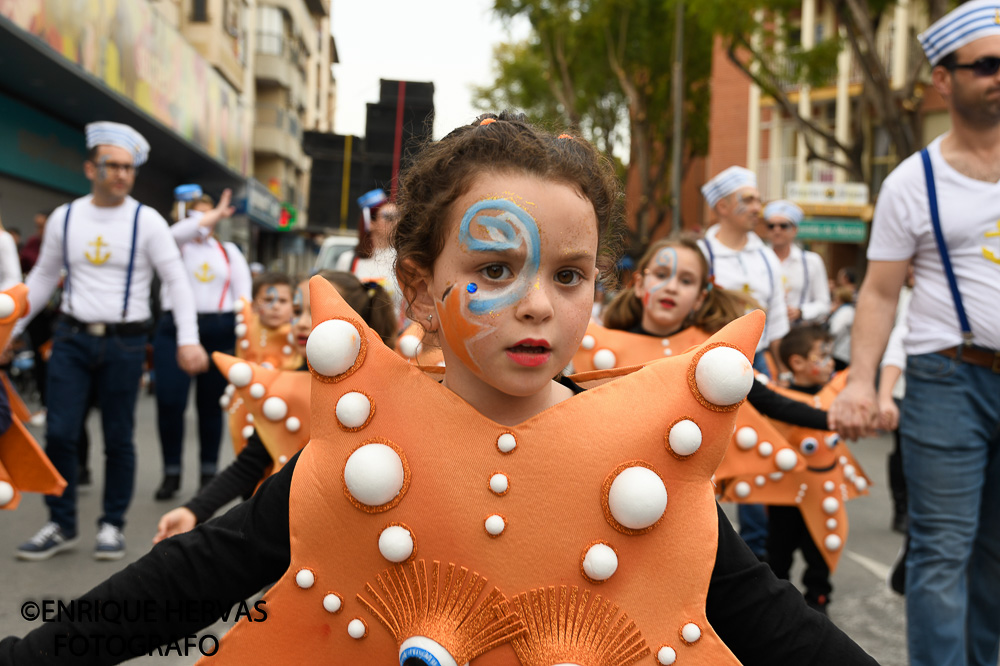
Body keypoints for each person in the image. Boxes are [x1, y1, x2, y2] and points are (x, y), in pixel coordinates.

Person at [0, 112, 876, 665]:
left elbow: (769, 623)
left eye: (570, 276)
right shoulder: (366, 456)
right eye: (495, 267)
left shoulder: (639, 472)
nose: (538, 303)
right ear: (418, 286)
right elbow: (195, 577)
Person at [830, 4, 1000, 664]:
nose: (998, 77)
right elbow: (877, 292)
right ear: (943, 80)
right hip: (945, 378)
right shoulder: (912, 182)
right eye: (985, 65)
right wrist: (862, 382)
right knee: (942, 549)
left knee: (995, 557)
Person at [10, 121, 209, 562]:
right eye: (112, 165)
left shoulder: (147, 220)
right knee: (60, 432)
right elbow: (43, 277)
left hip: (125, 343)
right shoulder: (67, 216)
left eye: (128, 167)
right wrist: (12, 329)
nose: (121, 174)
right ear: (90, 167)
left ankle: (111, 525)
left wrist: (188, 339)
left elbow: (176, 280)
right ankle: (60, 523)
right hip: (71, 337)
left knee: (118, 437)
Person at [153, 270, 396, 542]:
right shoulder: (287, 388)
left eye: (313, 312)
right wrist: (193, 510)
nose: (301, 324)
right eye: (297, 311)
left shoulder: (391, 390)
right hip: (290, 537)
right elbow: (251, 462)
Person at [153, 185, 252, 501]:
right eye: (199, 213)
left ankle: (209, 473)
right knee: (170, 402)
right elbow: (178, 231)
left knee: (210, 406)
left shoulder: (228, 251)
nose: (207, 221)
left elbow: (244, 296)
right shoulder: (173, 244)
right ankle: (171, 472)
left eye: (211, 213)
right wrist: (210, 213)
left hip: (219, 329)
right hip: (175, 328)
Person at [766, 325, 838, 614]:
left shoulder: (835, 396)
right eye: (822, 355)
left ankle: (818, 601)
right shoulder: (776, 400)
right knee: (779, 551)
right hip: (786, 495)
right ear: (797, 362)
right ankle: (775, 606)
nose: (831, 362)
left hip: (822, 494)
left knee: (820, 549)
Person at [336, 188, 404, 328]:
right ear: (370, 223)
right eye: (389, 217)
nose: (396, 221)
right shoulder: (348, 260)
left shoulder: (404, 260)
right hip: (355, 337)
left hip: (392, 339)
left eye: (399, 215)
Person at [764, 200, 831, 326]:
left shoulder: (812, 261)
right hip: (764, 335)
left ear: (794, 229)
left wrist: (801, 312)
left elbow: (824, 304)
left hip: (799, 335)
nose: (777, 230)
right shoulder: (759, 260)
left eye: (783, 226)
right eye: (771, 226)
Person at [827, 286, 855, 371]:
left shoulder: (846, 311)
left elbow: (834, 330)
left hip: (840, 352)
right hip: (840, 351)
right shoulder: (847, 310)